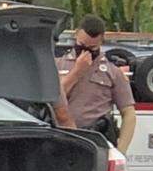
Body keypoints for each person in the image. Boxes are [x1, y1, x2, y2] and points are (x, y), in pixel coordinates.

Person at [56, 14, 136, 152]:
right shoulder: (58, 65)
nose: (86, 51)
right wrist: (77, 71)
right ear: (76, 35)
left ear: (101, 42)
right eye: (82, 45)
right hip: (61, 138)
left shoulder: (113, 72)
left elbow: (129, 113)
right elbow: (54, 99)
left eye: (92, 48)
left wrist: (121, 150)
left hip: (97, 140)